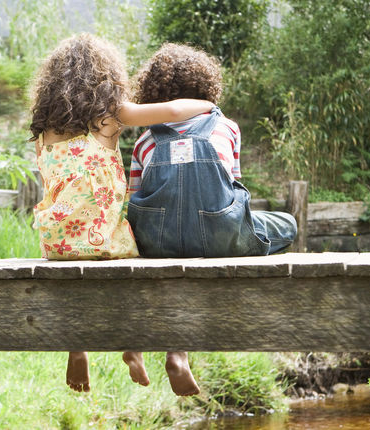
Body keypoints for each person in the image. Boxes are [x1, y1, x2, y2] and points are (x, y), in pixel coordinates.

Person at [29, 34, 214, 394]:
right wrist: (207, 105)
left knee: (77, 277)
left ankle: (77, 345)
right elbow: (175, 111)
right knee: (136, 270)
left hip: (57, 240)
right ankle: (135, 346)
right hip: (103, 235)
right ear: (106, 77)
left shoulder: (45, 131)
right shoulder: (111, 117)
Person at [123, 44, 299, 395]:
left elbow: (134, 199)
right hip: (219, 237)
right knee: (287, 225)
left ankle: (146, 344)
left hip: (159, 243)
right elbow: (234, 190)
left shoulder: (144, 141)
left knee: (175, 253)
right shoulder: (227, 128)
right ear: (206, 87)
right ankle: (178, 352)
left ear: (152, 92)